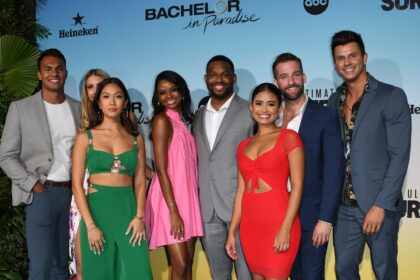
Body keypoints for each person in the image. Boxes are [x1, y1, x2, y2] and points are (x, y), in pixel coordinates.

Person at [328, 30, 411, 280]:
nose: (347, 62)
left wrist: (381, 205)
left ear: (364, 57)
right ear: (335, 63)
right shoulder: (334, 100)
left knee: (384, 271)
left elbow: (399, 157)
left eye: (352, 55)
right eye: (341, 58)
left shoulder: (391, 96)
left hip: (378, 205)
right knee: (343, 269)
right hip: (344, 207)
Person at [0, 48, 81, 279]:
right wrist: (32, 184)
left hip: (71, 195)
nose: (54, 73)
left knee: (61, 266)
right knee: (40, 267)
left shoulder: (78, 108)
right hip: (41, 194)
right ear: (39, 74)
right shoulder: (20, 108)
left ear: (65, 73)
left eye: (59, 68)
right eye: (48, 69)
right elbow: (5, 155)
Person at [272, 53, 345, 280]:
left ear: (304, 76)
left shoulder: (325, 116)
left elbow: (334, 171)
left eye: (295, 75)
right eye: (284, 77)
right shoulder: (270, 118)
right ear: (276, 83)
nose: (291, 81)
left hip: (311, 216)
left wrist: (325, 219)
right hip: (276, 214)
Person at [71, 77, 152, 279]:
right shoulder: (85, 137)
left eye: (118, 97)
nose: (112, 102)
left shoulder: (136, 139)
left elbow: (140, 182)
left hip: (129, 212)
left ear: (125, 101)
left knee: (138, 273)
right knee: (99, 274)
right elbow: (76, 186)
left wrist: (139, 216)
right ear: (98, 102)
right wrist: (90, 226)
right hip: (97, 213)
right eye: (106, 97)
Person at [226, 83, 304, 280]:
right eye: (259, 103)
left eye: (271, 104)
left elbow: (297, 187)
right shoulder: (243, 146)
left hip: (279, 223)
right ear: (251, 108)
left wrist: (285, 228)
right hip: (250, 228)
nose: (264, 109)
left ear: (280, 109)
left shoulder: (289, 138)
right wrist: (232, 231)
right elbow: (241, 193)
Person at [192, 55, 253, 280]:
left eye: (225, 74)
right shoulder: (197, 116)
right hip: (207, 210)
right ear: (206, 78)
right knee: (219, 276)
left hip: (241, 206)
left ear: (234, 78)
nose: (219, 79)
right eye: (213, 74)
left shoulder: (250, 111)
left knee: (247, 274)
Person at [145, 70, 203, 280]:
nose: (168, 95)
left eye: (173, 90)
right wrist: (173, 211)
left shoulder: (183, 124)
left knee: (187, 264)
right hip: (170, 202)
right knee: (179, 266)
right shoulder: (162, 121)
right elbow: (160, 169)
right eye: (162, 92)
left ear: (182, 93)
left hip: (188, 201)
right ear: (157, 98)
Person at [69, 68, 110, 279]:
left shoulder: (125, 119)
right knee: (85, 266)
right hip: (83, 197)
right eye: (89, 87)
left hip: (115, 199)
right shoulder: (80, 121)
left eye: (99, 85)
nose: (94, 91)